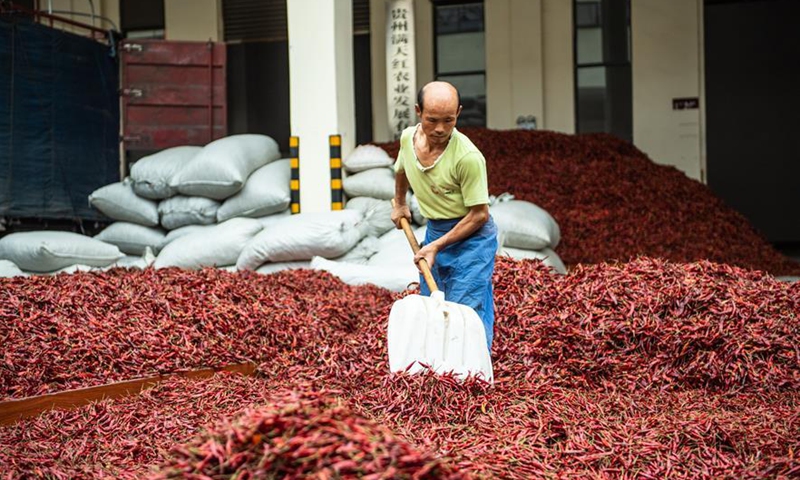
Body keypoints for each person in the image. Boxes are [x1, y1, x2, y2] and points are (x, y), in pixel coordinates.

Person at [391, 81, 498, 351]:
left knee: (466, 310)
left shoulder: (468, 157)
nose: (440, 129)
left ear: (458, 113)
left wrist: (436, 246)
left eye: (448, 120)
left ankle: (473, 368)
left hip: (472, 237)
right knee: (432, 305)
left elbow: (479, 215)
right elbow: (402, 168)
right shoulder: (408, 139)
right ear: (418, 111)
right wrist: (400, 203)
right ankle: (437, 364)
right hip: (437, 229)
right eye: (432, 120)